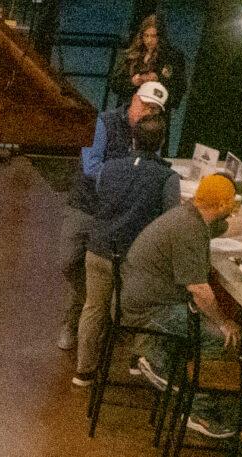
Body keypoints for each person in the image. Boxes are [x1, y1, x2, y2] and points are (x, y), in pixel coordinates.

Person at [119, 173, 242, 438]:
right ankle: (197, 410)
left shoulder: (193, 216)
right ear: (222, 206)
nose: (235, 210)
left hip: (143, 298)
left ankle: (158, 358)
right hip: (151, 310)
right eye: (232, 204)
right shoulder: (189, 229)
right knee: (219, 339)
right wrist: (224, 322)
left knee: (211, 328)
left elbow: (236, 228)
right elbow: (200, 291)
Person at [62, 80, 169, 355]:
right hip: (87, 206)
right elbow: (91, 166)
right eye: (144, 105)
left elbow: (149, 167)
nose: (147, 113)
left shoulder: (150, 134)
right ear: (134, 99)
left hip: (117, 214)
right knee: (67, 262)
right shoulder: (104, 123)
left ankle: (78, 323)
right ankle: (87, 308)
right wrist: (121, 179)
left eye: (154, 110)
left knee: (105, 273)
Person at [74, 111, 176, 387]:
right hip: (134, 258)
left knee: (93, 308)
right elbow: (170, 221)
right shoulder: (167, 178)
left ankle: (84, 372)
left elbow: (104, 199)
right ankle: (138, 361)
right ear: (162, 141)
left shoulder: (108, 169)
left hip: (99, 248)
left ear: (132, 138)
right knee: (143, 309)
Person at [107, 11, 186, 106]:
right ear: (141, 35)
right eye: (146, 35)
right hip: (130, 108)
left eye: (153, 36)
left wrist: (158, 80)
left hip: (156, 111)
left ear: (160, 37)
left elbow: (179, 88)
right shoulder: (132, 55)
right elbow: (115, 83)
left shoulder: (172, 57)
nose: (149, 40)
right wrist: (132, 82)